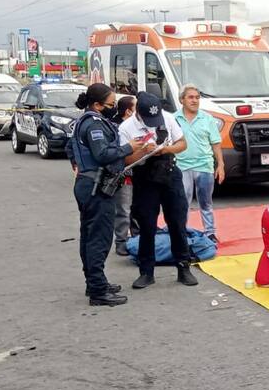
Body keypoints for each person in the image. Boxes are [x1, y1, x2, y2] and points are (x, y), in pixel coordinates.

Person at [66, 83, 151, 306]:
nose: (113, 108)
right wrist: (129, 147)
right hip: (95, 186)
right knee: (98, 239)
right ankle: (97, 290)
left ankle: (95, 282)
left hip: (89, 182)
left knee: (89, 236)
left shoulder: (85, 121)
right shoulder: (92, 124)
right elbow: (102, 153)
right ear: (97, 105)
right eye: (111, 104)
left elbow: (71, 148)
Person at [117, 92, 197, 289]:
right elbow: (124, 160)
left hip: (170, 174)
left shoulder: (168, 118)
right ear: (138, 114)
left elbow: (182, 143)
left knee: (177, 223)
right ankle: (146, 272)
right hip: (145, 178)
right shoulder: (126, 128)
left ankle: (183, 267)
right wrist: (143, 151)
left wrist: (165, 149)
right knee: (146, 226)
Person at [174, 85, 225, 244]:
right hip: (181, 167)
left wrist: (221, 165)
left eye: (197, 97)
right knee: (183, 203)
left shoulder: (207, 118)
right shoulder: (173, 118)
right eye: (190, 97)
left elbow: (216, 143)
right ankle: (182, 232)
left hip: (204, 166)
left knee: (206, 202)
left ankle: (210, 233)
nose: (195, 100)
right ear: (182, 100)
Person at [112, 95, 137, 257]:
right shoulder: (116, 129)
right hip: (124, 174)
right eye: (136, 108)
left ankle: (137, 237)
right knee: (123, 209)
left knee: (137, 208)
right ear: (128, 111)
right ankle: (121, 241)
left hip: (139, 174)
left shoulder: (138, 125)